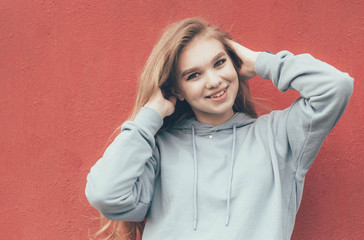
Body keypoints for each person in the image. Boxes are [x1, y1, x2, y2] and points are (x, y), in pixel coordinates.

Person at [85, 17, 354, 240]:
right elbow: (105, 194)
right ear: (176, 88)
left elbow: (336, 87)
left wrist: (261, 62)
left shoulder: (278, 138)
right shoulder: (158, 149)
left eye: (219, 63)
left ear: (235, 63)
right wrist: (150, 115)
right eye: (194, 75)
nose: (214, 81)